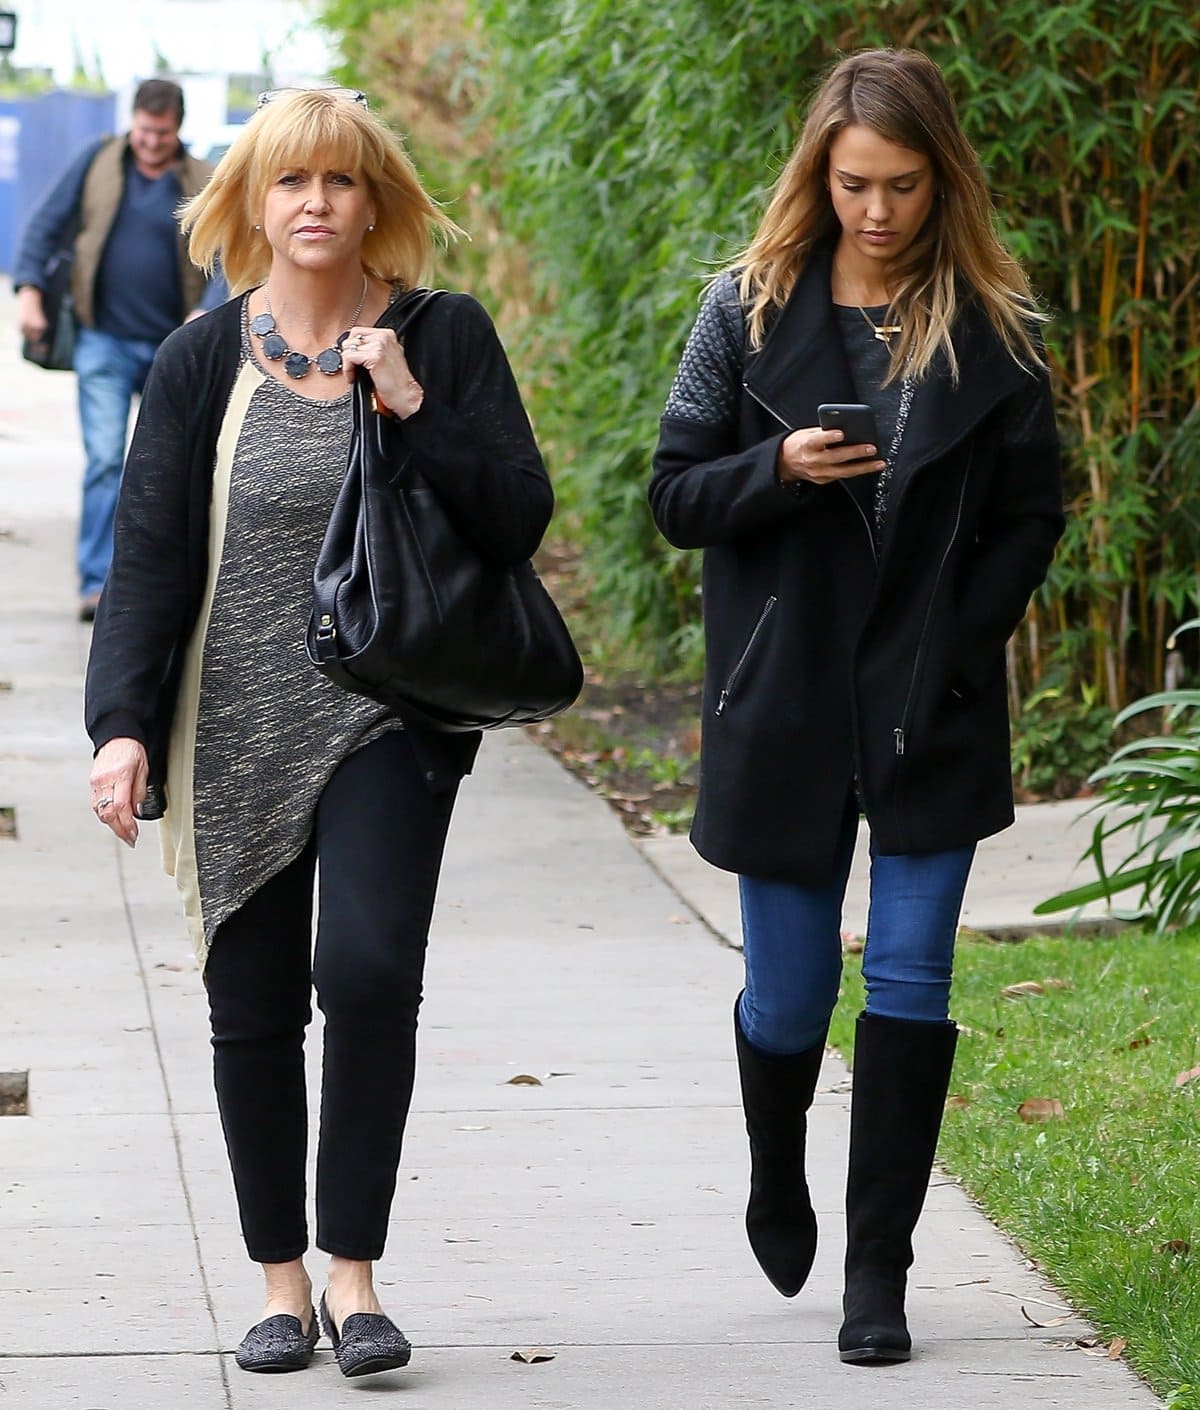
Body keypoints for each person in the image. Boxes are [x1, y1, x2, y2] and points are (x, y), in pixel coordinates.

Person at [83, 87, 553, 1377]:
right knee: (252, 1007)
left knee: (363, 972)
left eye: (340, 181)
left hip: (387, 715)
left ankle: (355, 1275)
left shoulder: (442, 339)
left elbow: (516, 518)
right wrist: (123, 727)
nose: (315, 204)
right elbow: (150, 565)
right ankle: (281, 1283)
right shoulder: (195, 363)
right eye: (289, 183)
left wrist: (410, 403)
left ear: (375, 202)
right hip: (229, 721)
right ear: (249, 204)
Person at [649, 49, 1063, 1366]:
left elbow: (1029, 517)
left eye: (898, 186)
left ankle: (876, 1270)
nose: (875, 212)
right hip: (781, 697)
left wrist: (962, 638)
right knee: (788, 992)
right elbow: (672, 497)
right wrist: (775, 465)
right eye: (851, 185)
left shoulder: (995, 329)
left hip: (930, 698)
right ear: (818, 177)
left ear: (941, 179)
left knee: (910, 976)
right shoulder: (750, 309)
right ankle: (780, 1172)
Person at [14, 79, 225, 621]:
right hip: (101, 339)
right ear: (133, 121)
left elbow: (230, 254)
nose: (152, 142)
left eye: (163, 133)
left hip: (171, 351)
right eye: (144, 130)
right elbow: (44, 225)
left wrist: (206, 309)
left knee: (166, 468)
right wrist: (30, 292)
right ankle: (95, 585)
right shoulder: (99, 162)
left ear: (178, 128)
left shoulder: (201, 180)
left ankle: (158, 585)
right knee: (106, 460)